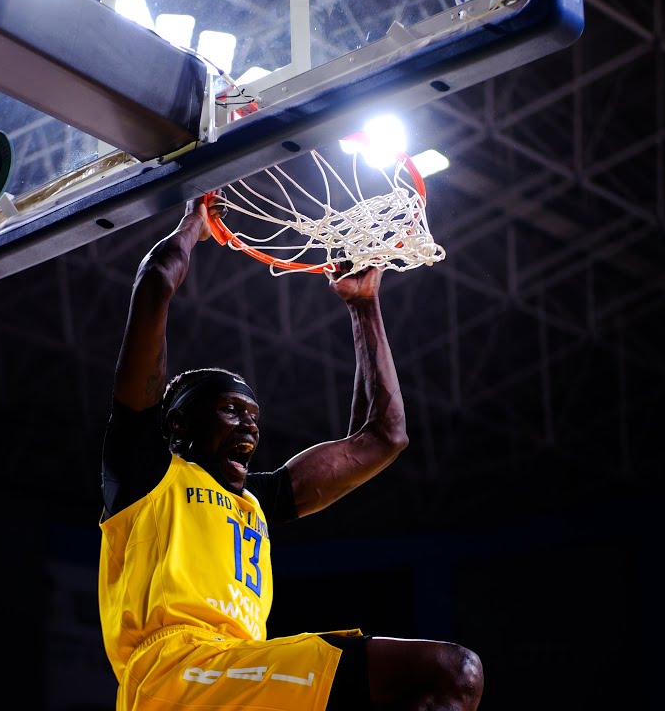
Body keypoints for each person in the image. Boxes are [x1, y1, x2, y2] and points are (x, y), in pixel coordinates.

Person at [98, 194, 484, 711]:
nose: (249, 429)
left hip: (238, 674)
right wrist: (193, 225)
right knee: (445, 672)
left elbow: (383, 437)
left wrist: (363, 306)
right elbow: (155, 285)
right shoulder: (147, 475)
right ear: (178, 423)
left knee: (447, 682)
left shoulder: (257, 500)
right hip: (178, 676)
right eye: (232, 411)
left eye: (254, 417)